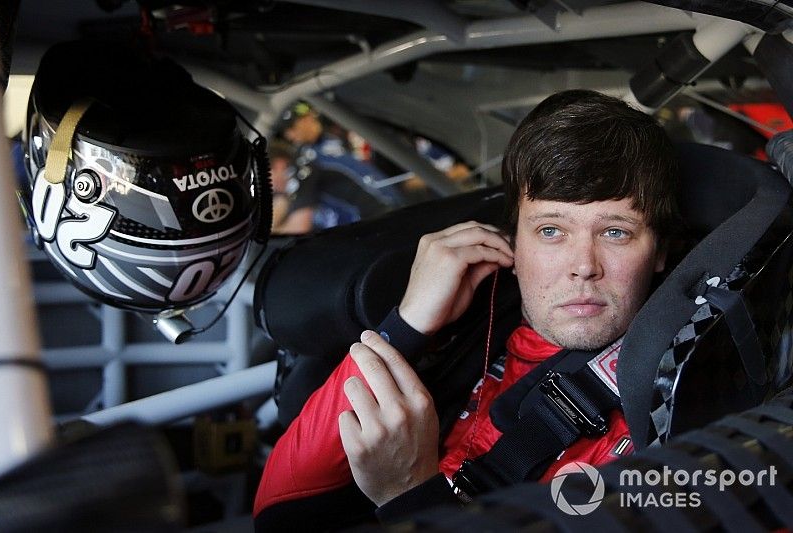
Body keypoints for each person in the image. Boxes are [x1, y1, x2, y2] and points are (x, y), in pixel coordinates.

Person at [253, 90, 680, 529]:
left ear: (659, 251)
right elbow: (280, 508)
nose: (583, 267)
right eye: (552, 230)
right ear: (514, 241)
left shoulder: (665, 406)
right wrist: (408, 324)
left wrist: (410, 496)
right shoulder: (482, 320)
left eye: (615, 233)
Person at [277, 102, 398, 233]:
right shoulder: (303, 161)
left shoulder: (335, 133)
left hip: (390, 197)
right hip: (371, 218)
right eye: (297, 124)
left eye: (307, 116)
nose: (310, 120)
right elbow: (290, 203)